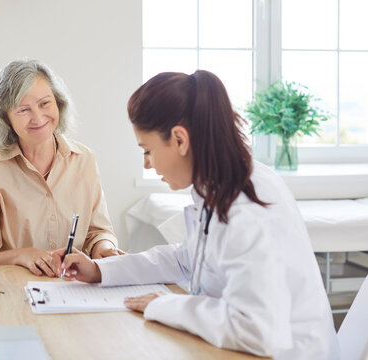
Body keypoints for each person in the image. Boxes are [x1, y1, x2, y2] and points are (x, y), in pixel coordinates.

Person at [53, 71, 339, 359]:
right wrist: (101, 270)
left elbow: (257, 330)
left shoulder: (245, 208)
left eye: (147, 150)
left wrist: (163, 305)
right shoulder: (215, 184)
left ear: (179, 140)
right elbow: (186, 259)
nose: (147, 164)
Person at [0, 59, 123, 276]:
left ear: (58, 103)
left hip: (72, 288)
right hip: (11, 294)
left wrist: (104, 247)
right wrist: (20, 255)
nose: (38, 118)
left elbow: (99, 232)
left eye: (45, 103)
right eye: (23, 110)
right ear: (5, 118)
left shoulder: (84, 160)